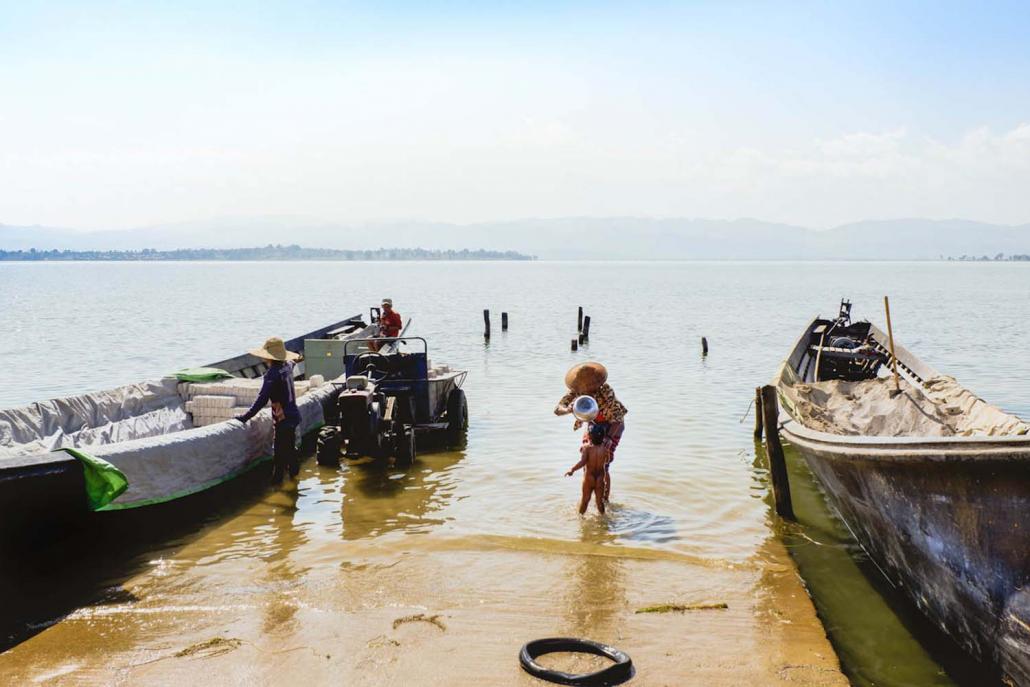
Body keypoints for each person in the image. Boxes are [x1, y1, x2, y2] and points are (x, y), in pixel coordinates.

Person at [554, 361, 627, 501]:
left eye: (591, 384)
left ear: (597, 382)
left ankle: (605, 499)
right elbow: (557, 409)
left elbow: (618, 418)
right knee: (587, 459)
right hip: (594, 425)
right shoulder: (576, 391)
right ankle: (587, 497)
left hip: (612, 426)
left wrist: (608, 439)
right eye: (585, 385)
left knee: (603, 464)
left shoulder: (606, 390)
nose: (589, 388)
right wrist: (568, 409)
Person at [235, 336, 302, 484]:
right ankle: (294, 475)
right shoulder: (287, 366)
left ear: (268, 357)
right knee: (289, 447)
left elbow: (262, 399)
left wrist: (246, 417)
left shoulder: (272, 375)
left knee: (279, 454)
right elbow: (293, 361)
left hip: (283, 419)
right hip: (293, 415)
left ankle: (278, 482)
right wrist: (298, 358)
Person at [565, 424, 609, 515]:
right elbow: (608, 460)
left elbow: (582, 462)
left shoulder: (587, 448)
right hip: (600, 478)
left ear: (590, 436)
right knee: (599, 502)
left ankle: (580, 519)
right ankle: (604, 521)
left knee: (585, 501)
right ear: (603, 437)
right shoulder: (605, 449)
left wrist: (572, 470)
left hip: (589, 478)